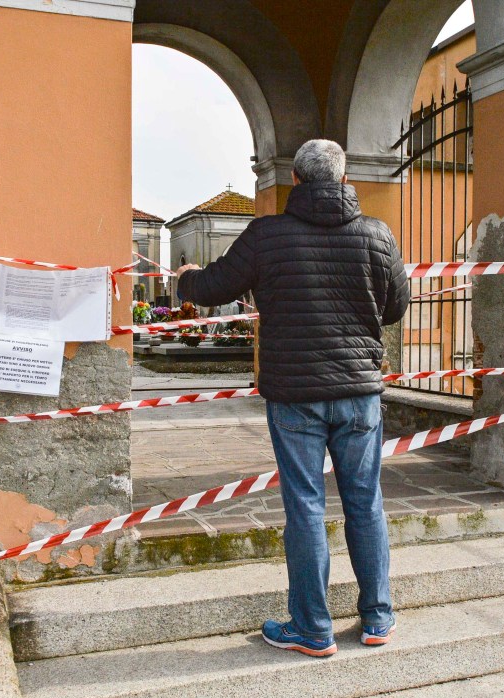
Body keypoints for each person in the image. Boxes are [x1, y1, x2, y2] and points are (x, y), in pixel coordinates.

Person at [176, 139, 410, 657]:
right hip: (359, 393)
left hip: (295, 393)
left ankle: (312, 628)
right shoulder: (377, 234)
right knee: (365, 502)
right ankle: (377, 618)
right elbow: (396, 306)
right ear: (344, 178)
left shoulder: (267, 234)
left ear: (297, 180)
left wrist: (183, 281)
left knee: (305, 507)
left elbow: (214, 286)